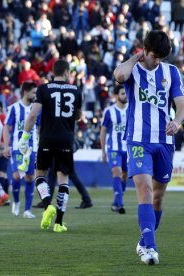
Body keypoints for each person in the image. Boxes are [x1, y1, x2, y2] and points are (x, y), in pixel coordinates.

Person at [114, 30, 184, 265]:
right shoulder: (133, 68)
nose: (158, 62)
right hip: (138, 139)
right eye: (155, 56)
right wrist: (136, 57)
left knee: (158, 198)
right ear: (145, 51)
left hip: (164, 141)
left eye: (162, 58)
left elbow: (181, 104)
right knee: (144, 190)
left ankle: (144, 240)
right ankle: (150, 248)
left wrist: (178, 121)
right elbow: (118, 75)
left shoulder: (171, 72)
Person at [18, 60, 82, 232]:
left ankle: (47, 205)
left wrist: (24, 137)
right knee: (63, 179)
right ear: (67, 72)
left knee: (40, 174)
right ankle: (59, 223)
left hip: (46, 138)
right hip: (66, 140)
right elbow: (77, 116)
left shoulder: (44, 89)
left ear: (53, 72)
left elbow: (33, 116)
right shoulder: (76, 90)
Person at [3, 82, 39, 218]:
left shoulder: (36, 109)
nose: (35, 95)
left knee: (30, 176)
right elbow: (6, 127)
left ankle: (27, 210)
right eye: (33, 92)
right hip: (18, 146)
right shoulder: (14, 108)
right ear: (25, 92)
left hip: (33, 147)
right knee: (17, 175)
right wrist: (6, 146)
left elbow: (39, 129)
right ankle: (16, 201)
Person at [100, 85, 128, 214]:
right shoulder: (109, 111)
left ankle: (116, 202)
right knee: (117, 172)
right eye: (123, 93)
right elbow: (103, 131)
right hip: (114, 148)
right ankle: (120, 204)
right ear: (116, 96)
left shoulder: (132, 109)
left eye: (126, 93)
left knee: (124, 176)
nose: (125, 95)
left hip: (128, 149)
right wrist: (103, 151)